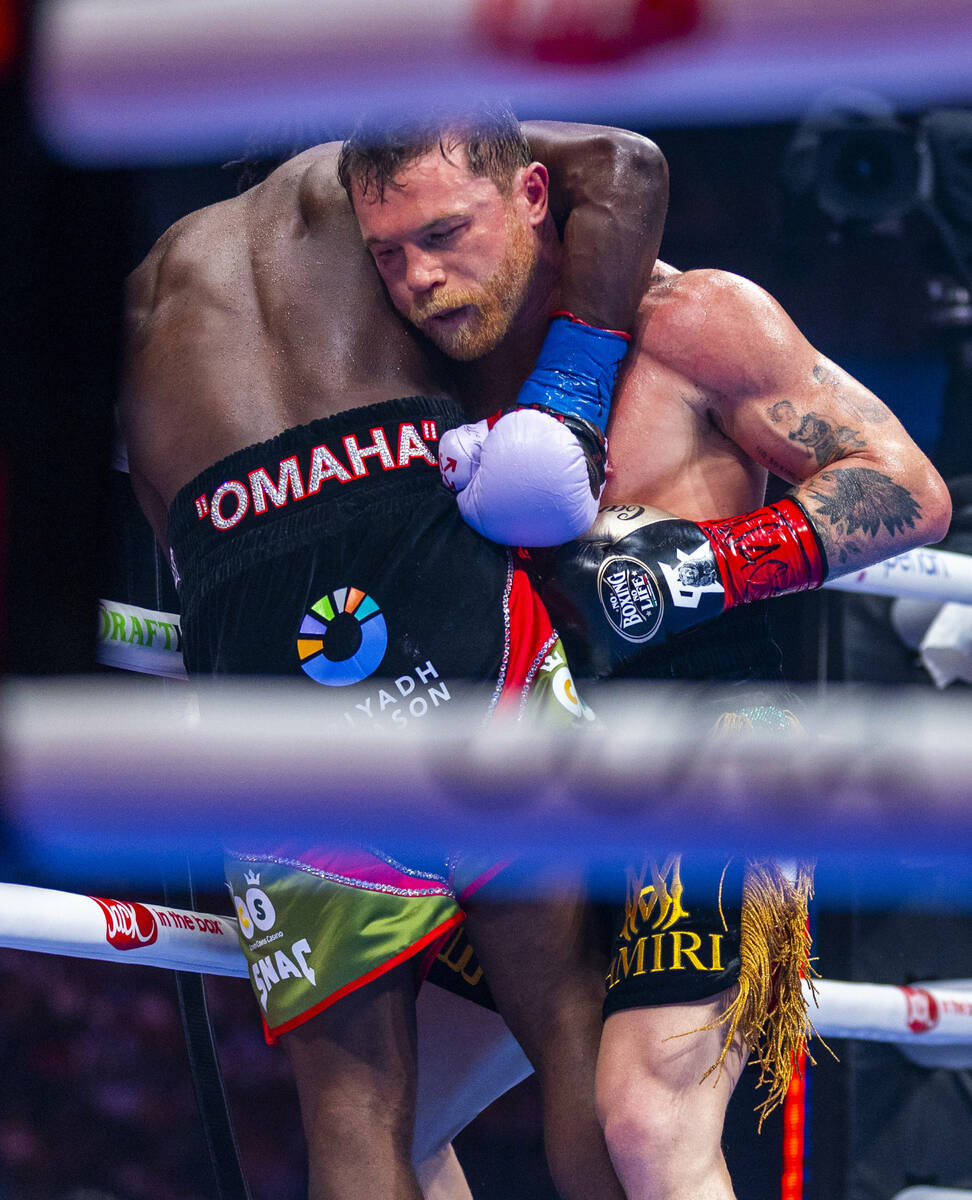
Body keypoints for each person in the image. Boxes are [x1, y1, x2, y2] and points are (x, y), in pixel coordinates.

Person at [338, 117, 952, 1200]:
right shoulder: (413, 374)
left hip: (717, 745)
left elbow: (909, 488)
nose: (419, 278)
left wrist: (704, 565)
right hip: (529, 769)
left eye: (443, 234)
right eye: (388, 251)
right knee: (385, 1116)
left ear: (532, 196)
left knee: (649, 1122)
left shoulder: (693, 318)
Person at [121, 108, 668, 1200]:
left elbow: (168, 533)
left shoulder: (143, 287)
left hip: (253, 650)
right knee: (568, 1022)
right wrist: (566, 400)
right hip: (420, 575)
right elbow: (626, 165)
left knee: (354, 1111)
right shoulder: (380, 183)